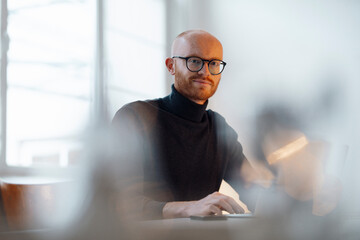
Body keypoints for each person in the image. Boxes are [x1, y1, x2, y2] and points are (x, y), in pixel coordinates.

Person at [112, 30, 256, 219]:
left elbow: (254, 190)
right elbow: (121, 202)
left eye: (213, 63)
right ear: (171, 66)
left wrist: (289, 192)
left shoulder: (219, 128)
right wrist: (189, 208)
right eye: (195, 61)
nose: (205, 72)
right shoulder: (134, 117)